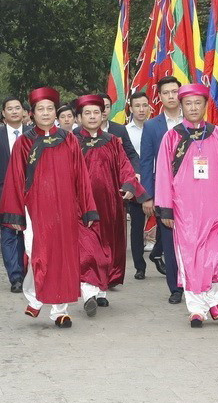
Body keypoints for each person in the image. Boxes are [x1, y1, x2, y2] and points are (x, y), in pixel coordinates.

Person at [0, 87, 100, 328]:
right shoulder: (24, 142)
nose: (45, 113)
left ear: (56, 112)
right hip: (35, 209)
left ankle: (59, 310)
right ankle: (35, 297)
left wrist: (87, 208)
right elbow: (15, 178)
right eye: (40, 109)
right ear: (31, 114)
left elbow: (81, 177)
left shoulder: (69, 140)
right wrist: (14, 212)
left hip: (65, 208)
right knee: (38, 254)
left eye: (50, 109)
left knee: (63, 257)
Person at [154, 84, 218, 327]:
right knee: (192, 258)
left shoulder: (217, 134)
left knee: (217, 255)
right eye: (188, 103)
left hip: (215, 207)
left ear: (206, 106)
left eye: (198, 103)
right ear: (181, 106)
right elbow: (164, 175)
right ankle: (197, 308)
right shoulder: (172, 137)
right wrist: (165, 208)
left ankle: (214, 298)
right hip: (184, 210)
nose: (193, 107)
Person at [74, 95, 147, 305]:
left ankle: (101, 290)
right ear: (79, 117)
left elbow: (125, 166)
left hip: (109, 204)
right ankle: (88, 291)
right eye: (87, 113)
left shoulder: (113, 142)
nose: (92, 116)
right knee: (87, 247)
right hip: (81, 205)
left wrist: (129, 185)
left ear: (102, 114)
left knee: (107, 245)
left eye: (96, 112)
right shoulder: (71, 142)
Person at [140, 76, 183, 303]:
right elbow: (146, 162)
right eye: (166, 93)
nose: (171, 96)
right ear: (160, 97)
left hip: (192, 192)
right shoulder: (151, 126)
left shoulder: (194, 120)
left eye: (174, 92)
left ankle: (195, 283)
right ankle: (175, 288)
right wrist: (148, 195)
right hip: (164, 192)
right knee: (168, 239)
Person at [0, 97, 27, 291]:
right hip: (4, 193)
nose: (14, 111)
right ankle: (15, 276)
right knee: (9, 233)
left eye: (17, 108)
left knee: (28, 234)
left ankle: (29, 271)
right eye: (9, 109)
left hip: (31, 192)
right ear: (3, 113)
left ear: (24, 112)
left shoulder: (33, 134)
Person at [125, 91, 154, 280]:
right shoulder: (125, 131)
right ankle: (139, 267)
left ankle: (157, 253)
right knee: (137, 226)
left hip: (156, 180)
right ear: (131, 108)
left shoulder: (158, 128)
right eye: (137, 106)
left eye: (145, 105)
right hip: (136, 184)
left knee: (165, 220)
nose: (141, 110)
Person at [99, 92, 140, 173]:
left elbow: (131, 154)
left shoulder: (120, 129)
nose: (104, 110)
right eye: (101, 106)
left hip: (117, 177)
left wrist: (136, 172)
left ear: (110, 109)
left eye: (107, 107)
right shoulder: (82, 131)